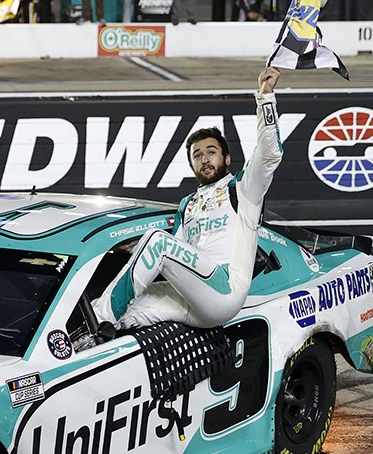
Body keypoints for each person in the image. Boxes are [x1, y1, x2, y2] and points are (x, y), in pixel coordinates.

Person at [93, 67, 284, 330]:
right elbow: (175, 254)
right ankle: (83, 339)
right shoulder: (188, 204)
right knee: (119, 314)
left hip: (225, 291)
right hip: (192, 296)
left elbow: (270, 153)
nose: (205, 159)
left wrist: (265, 98)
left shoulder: (242, 189)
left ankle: (103, 318)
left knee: (157, 240)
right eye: (197, 155)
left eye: (211, 152)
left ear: (226, 158)